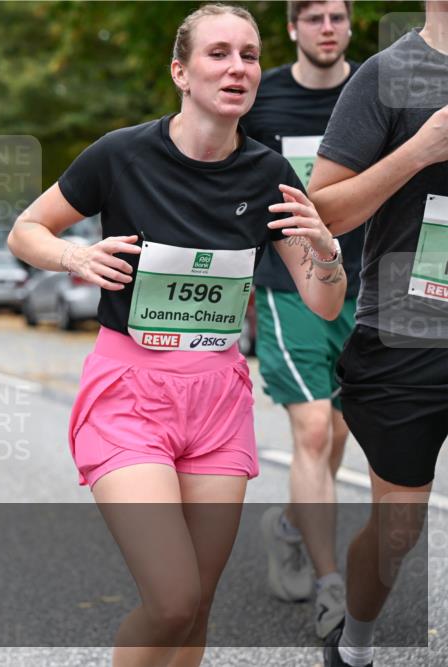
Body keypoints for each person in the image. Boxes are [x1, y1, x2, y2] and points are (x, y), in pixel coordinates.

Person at [7, 5, 347, 665]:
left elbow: (324, 303)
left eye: (249, 55)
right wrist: (75, 256)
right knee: (170, 600)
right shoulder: (121, 154)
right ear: (180, 72)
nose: (238, 68)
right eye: (218, 53)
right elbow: (27, 230)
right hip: (129, 394)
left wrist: (327, 250)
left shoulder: (269, 175)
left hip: (217, 398)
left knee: (197, 609)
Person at [306, 2, 448, 665]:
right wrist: (419, 152)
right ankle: (355, 644)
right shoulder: (389, 74)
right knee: (398, 531)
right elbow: (324, 210)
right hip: (406, 336)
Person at [239, 0, 362, 638]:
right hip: (288, 284)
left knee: (338, 431)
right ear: (293, 28)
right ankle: (330, 585)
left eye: (337, 17)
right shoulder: (262, 98)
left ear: (350, 24)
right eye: (313, 18)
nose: (327, 28)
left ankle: (289, 525)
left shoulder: (373, 91)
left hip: (364, 282)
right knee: (313, 431)